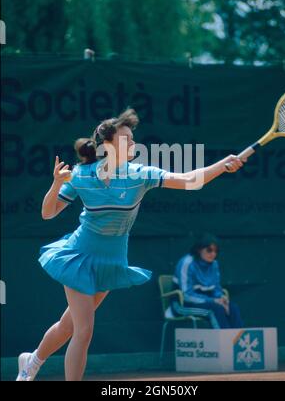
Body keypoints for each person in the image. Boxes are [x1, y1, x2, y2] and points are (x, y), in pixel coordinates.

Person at [16, 108, 246, 381]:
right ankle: (36, 367)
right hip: (78, 256)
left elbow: (189, 180)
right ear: (107, 145)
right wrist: (55, 184)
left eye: (133, 139)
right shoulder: (82, 174)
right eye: (126, 139)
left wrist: (222, 165)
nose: (133, 144)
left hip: (111, 261)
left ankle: (31, 361)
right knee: (84, 330)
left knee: (69, 326)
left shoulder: (140, 174)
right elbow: (48, 212)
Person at [172, 233, 243, 329]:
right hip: (182, 304)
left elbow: (217, 289)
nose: (213, 254)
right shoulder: (187, 262)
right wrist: (213, 301)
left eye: (216, 251)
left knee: (232, 308)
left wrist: (222, 299)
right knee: (215, 309)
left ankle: (238, 341)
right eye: (209, 250)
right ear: (199, 249)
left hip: (208, 302)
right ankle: (225, 341)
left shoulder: (214, 264)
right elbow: (186, 295)